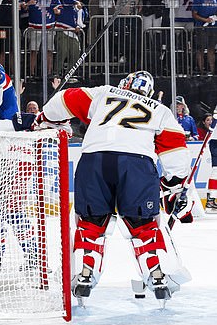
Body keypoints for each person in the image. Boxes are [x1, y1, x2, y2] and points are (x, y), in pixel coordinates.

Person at [40, 71, 192, 306]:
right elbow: (176, 151)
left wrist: (47, 118)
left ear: (125, 83)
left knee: (90, 224)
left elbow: (61, 102)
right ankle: (156, 273)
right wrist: (174, 185)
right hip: (137, 165)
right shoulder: (160, 110)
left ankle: (85, 271)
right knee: (144, 227)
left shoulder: (103, 93)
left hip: (94, 160)